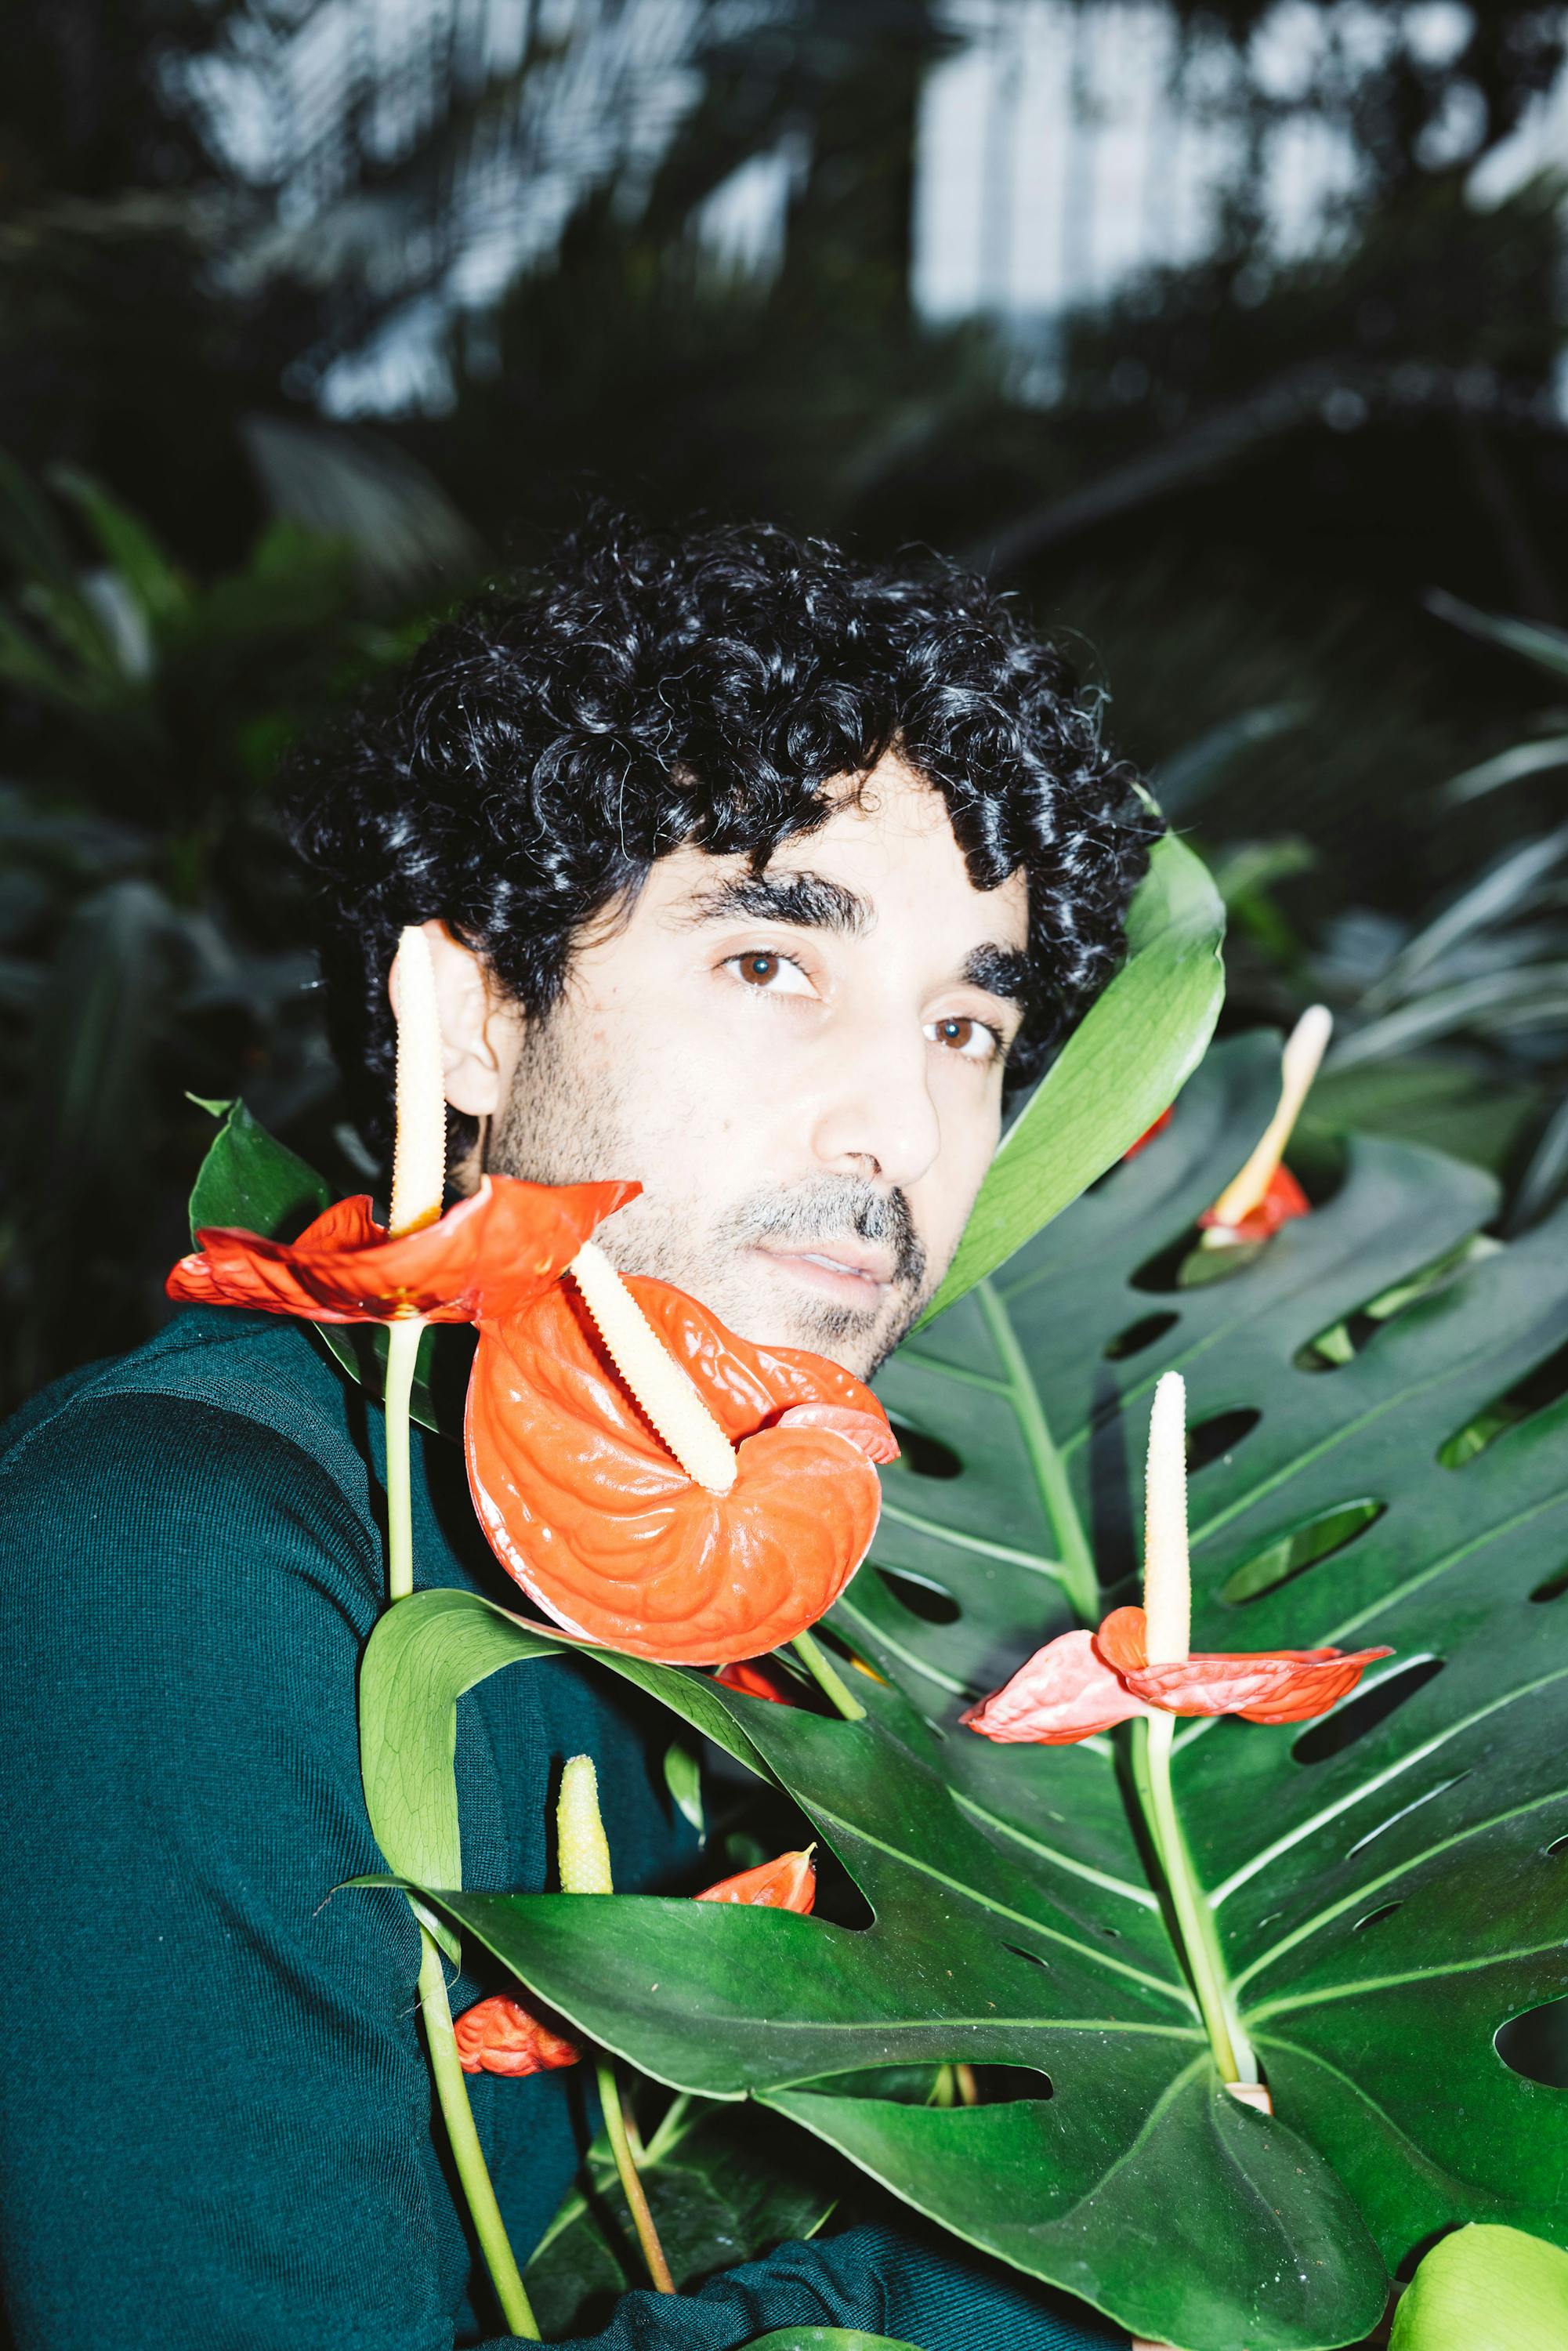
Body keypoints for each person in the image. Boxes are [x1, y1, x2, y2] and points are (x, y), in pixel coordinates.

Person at [0, 513, 1153, 2349]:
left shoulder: (837, 1573)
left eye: (962, 1025)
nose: (898, 1130)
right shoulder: (177, 1554)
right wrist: (1121, 2258)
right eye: (771, 965)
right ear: (466, 1015)